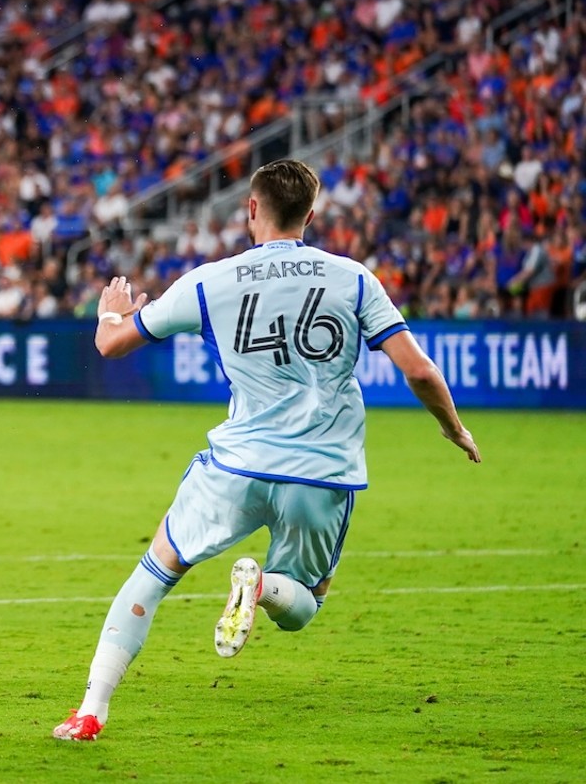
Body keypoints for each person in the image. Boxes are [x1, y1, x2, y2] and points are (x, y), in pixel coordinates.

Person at [52, 159, 481, 741]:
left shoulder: (209, 282)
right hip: (322, 475)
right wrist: (453, 427)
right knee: (303, 606)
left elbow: (111, 343)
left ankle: (90, 712)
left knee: (153, 574)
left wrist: (112, 308)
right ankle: (263, 588)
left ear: (251, 208)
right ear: (311, 214)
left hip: (235, 467)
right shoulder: (353, 279)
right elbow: (421, 370)